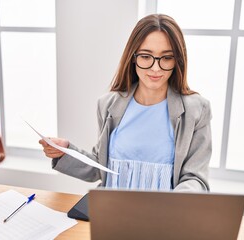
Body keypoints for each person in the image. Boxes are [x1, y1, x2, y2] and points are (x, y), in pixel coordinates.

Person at [39, 14, 212, 192]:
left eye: (167, 58)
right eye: (146, 56)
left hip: (165, 216)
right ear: (133, 57)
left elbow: (196, 178)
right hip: (112, 212)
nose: (155, 68)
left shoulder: (196, 110)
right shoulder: (108, 104)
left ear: (178, 61)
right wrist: (66, 151)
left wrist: (172, 207)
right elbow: (101, 167)